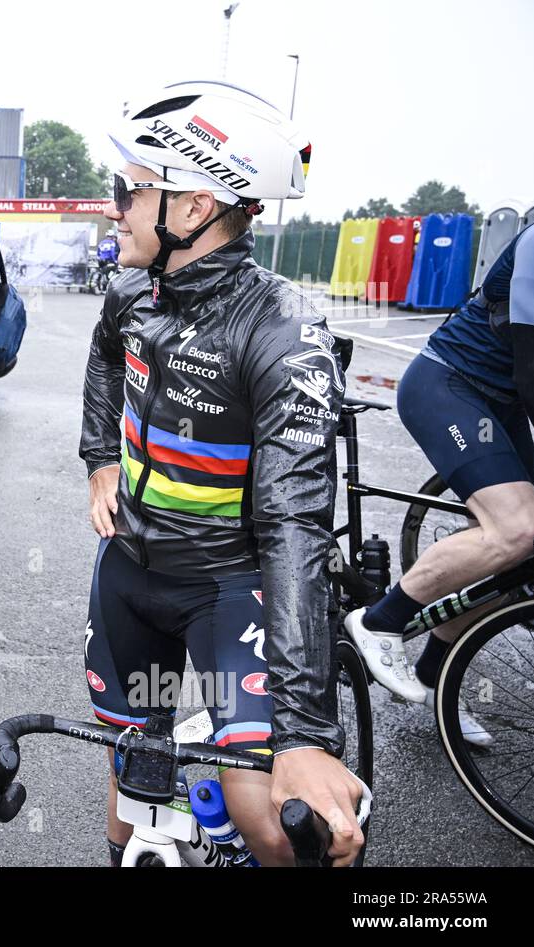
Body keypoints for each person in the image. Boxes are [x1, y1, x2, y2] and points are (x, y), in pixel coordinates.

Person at [80, 81, 365, 866]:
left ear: (194, 207)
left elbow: (296, 528)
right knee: (134, 781)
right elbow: (106, 361)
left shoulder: (286, 333)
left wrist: (306, 737)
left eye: (127, 190)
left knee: (269, 813)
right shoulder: (132, 288)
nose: (114, 208)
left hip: (230, 584)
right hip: (130, 571)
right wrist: (101, 459)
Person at [346, 221, 534, 736]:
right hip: (448, 383)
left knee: (522, 549)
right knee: (516, 527)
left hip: (499, 402)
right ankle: (379, 621)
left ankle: (433, 676)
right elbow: (532, 370)